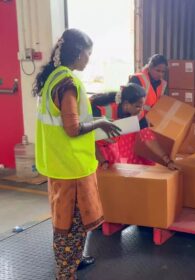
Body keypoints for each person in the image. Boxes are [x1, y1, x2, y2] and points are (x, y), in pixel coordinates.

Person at [33, 29, 121, 280]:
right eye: (88, 54)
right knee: (71, 227)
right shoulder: (68, 83)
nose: (89, 59)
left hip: (57, 163)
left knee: (65, 222)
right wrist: (101, 122)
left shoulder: (53, 77)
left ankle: (72, 263)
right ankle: (65, 273)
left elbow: (68, 121)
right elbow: (73, 129)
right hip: (71, 167)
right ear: (78, 53)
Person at [90, 83, 178, 170]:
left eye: (142, 106)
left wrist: (167, 160)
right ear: (126, 104)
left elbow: (148, 137)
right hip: (93, 150)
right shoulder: (101, 111)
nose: (141, 109)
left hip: (111, 147)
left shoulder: (138, 113)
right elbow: (88, 138)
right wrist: (102, 160)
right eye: (138, 106)